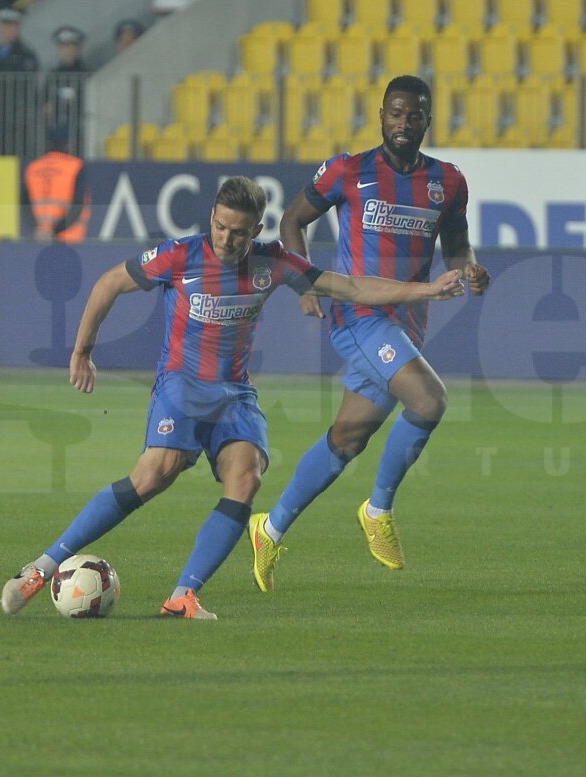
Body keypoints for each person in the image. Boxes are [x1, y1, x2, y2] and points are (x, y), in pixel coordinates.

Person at [0, 176, 466, 619]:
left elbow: (353, 286)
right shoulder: (179, 256)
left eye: (238, 232)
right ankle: (41, 568)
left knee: (246, 478)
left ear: (256, 231)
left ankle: (183, 595)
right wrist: (82, 351)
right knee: (154, 474)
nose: (226, 238)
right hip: (181, 386)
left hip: (234, 395)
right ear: (211, 217)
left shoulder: (272, 263)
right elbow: (108, 284)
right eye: (220, 226)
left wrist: (427, 290)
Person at [246, 74, 490, 594]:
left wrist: (468, 268)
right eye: (395, 113)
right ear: (381, 115)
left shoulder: (448, 181)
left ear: (427, 120)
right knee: (429, 400)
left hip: (407, 322)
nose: (404, 123)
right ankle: (378, 510)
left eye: (414, 115)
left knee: (348, 437)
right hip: (358, 316)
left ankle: (270, 529)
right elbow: (291, 222)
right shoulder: (348, 170)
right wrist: (305, 283)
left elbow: (456, 245)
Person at [0, 6, 37, 156]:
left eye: (11, 26)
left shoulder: (26, 55)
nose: (6, 30)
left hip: (17, 114)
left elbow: (29, 83)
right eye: (4, 25)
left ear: (18, 27)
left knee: (17, 148)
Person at [23, 125, 90, 242]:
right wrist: (55, 231)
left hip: (40, 238)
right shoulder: (75, 166)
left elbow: (24, 204)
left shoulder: (33, 168)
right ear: (68, 144)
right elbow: (77, 206)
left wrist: (40, 229)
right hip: (69, 238)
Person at [42, 24, 87, 156]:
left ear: (77, 48)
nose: (67, 50)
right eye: (63, 46)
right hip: (55, 134)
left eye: (70, 46)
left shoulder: (86, 74)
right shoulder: (53, 75)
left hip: (80, 132)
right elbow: (44, 102)